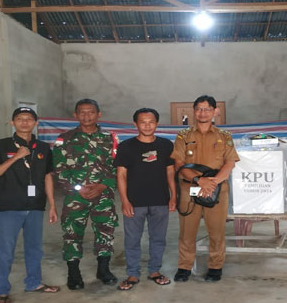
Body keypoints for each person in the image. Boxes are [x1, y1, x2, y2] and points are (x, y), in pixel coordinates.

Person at [0, 107, 60, 303]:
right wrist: (16, 157)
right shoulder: (0, 146)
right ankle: (1, 290)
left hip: (35, 206)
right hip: (8, 207)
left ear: (36, 123)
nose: (24, 122)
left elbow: (47, 177)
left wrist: (52, 205)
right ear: (12, 123)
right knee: (6, 251)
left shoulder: (43, 147)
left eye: (29, 119)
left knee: (35, 249)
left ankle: (33, 283)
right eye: (20, 118)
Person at [171, 95, 239, 282]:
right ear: (194, 111)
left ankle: (215, 267)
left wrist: (212, 183)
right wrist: (199, 180)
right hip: (189, 190)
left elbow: (230, 163)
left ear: (215, 111)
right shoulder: (183, 136)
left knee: (216, 232)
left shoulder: (224, 136)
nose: (203, 113)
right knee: (187, 232)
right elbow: (179, 164)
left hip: (217, 191)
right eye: (199, 109)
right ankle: (184, 267)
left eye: (207, 109)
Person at [52, 99, 119, 289]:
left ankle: (103, 270)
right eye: (82, 112)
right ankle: (73, 273)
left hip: (103, 194)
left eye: (91, 112)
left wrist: (103, 185)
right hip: (75, 196)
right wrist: (78, 188)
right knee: (72, 233)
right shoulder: (64, 139)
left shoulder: (110, 138)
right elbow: (59, 168)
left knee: (105, 231)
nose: (86, 116)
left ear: (99, 114)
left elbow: (117, 166)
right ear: (75, 115)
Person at [114, 108, 177, 290]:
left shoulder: (166, 145)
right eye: (143, 122)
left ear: (157, 123)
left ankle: (155, 271)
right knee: (132, 240)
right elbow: (121, 175)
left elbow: (170, 171)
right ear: (135, 124)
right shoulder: (126, 147)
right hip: (134, 202)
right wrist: (125, 200)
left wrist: (173, 195)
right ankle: (133, 274)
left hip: (160, 200)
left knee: (158, 239)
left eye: (151, 122)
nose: (147, 126)